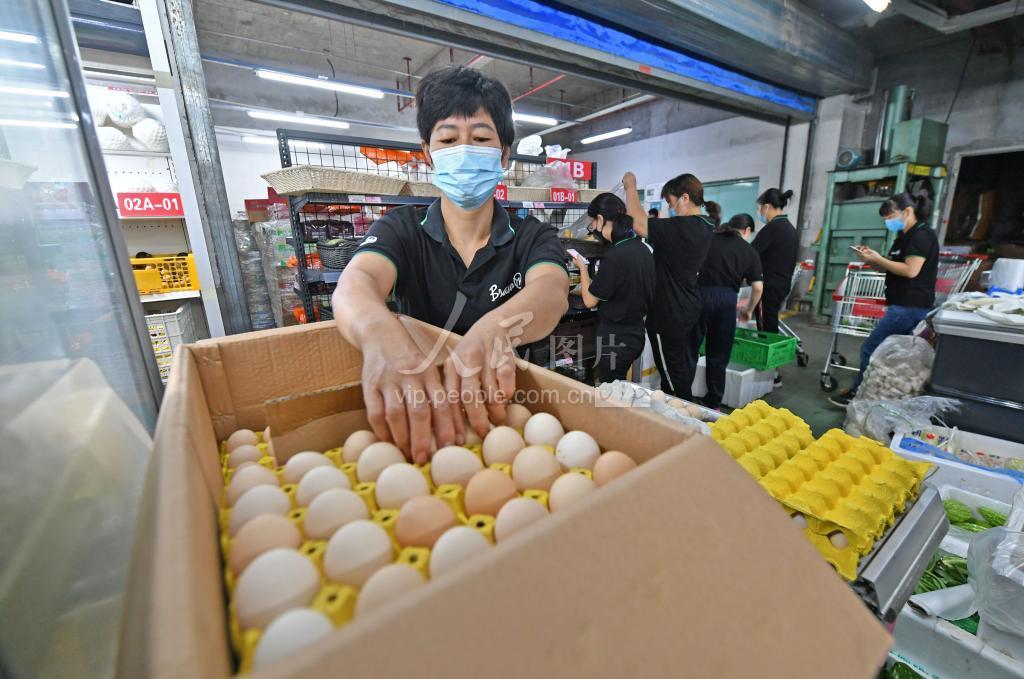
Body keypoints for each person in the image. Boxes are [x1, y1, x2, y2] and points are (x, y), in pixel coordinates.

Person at [333, 66, 569, 462]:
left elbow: (552, 290)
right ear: (428, 153)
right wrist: (379, 333)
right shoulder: (402, 231)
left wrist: (496, 329)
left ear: (504, 155)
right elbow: (357, 282)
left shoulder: (531, 235)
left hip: (504, 409)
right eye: (447, 139)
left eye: (480, 138)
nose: (464, 151)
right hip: (422, 411)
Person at [830, 192, 939, 407]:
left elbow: (910, 270)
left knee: (872, 348)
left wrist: (879, 259)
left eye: (890, 216)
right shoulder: (904, 236)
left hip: (909, 305)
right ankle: (882, 397)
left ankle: (859, 395)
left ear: (907, 211)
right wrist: (872, 260)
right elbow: (892, 267)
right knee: (894, 354)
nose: (888, 221)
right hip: (902, 304)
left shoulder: (921, 236)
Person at [623, 171, 718, 398]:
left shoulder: (683, 227)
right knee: (681, 368)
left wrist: (631, 187)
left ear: (685, 198)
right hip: (689, 307)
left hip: (668, 314)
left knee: (673, 378)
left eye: (671, 202)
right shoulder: (707, 225)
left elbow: (638, 222)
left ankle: (682, 413)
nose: (670, 208)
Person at [573, 193, 656, 384]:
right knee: (619, 386)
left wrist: (582, 268)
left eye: (592, 223)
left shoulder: (615, 255)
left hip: (615, 339)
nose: (593, 228)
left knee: (611, 391)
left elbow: (589, 300)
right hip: (636, 334)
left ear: (600, 219)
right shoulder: (643, 249)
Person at [697, 214, 764, 409]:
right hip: (726, 301)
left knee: (690, 349)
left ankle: (682, 394)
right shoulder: (748, 250)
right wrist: (748, 310)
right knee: (718, 355)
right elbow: (758, 288)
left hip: (699, 296)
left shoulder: (707, 239)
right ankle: (713, 403)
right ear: (747, 230)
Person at [751, 188, 799, 334]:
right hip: (781, 284)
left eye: (759, 208)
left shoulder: (772, 229)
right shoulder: (789, 228)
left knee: (765, 327)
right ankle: (772, 346)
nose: (759, 212)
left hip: (769, 287)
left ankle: (769, 347)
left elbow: (751, 253)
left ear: (767, 207)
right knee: (770, 321)